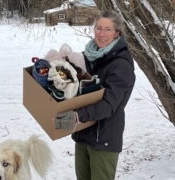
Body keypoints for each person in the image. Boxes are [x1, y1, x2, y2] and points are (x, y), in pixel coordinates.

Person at [53, 11, 136, 180]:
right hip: (83, 135)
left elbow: (108, 106)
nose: (101, 34)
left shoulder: (121, 65)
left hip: (104, 139)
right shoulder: (90, 57)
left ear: (117, 33)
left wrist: (76, 116)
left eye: (107, 29)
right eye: (98, 28)